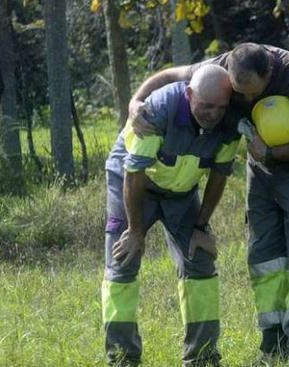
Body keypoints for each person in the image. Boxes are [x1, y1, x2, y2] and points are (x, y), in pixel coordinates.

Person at [128, 43, 289, 357]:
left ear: (269, 73)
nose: (247, 100)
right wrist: (135, 101)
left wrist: (272, 153)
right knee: (264, 254)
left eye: (253, 91)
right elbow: (170, 74)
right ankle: (273, 340)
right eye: (239, 92)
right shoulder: (220, 68)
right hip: (261, 170)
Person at [102, 64, 241, 366]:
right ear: (189, 94)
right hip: (135, 184)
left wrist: (201, 225)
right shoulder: (159, 109)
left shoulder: (230, 119)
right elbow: (134, 172)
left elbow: (219, 175)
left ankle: (202, 358)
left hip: (181, 191)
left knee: (200, 260)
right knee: (122, 260)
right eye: (206, 106)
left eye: (220, 107)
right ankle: (123, 357)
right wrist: (136, 231)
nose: (213, 114)